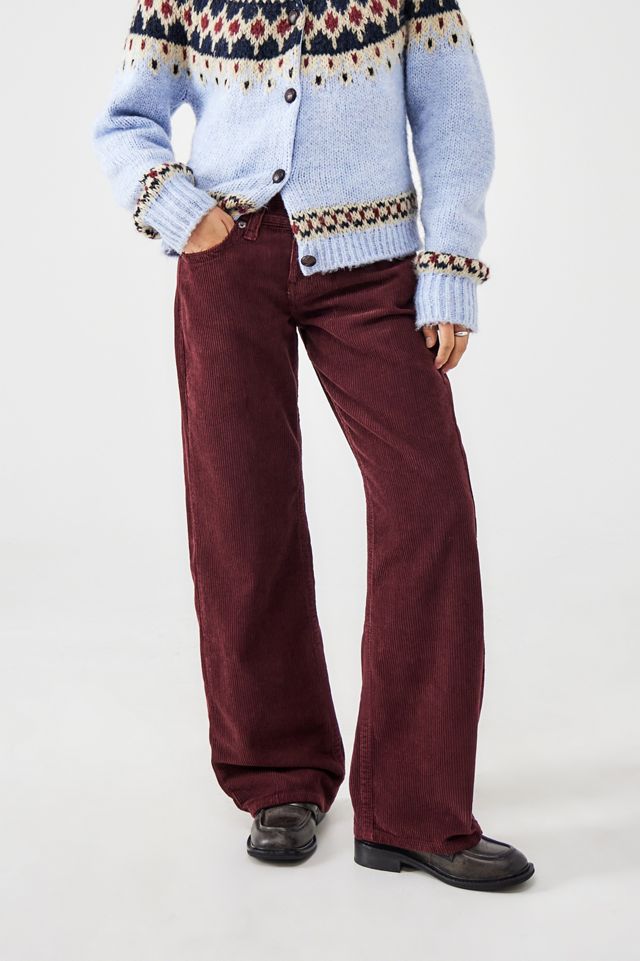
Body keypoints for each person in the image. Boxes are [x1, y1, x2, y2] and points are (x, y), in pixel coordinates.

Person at [92, 0, 534, 891]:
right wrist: (181, 211)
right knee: (241, 516)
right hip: (228, 262)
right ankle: (279, 777)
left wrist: (449, 264)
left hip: (374, 267)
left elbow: (454, 119)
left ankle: (412, 808)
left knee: (429, 503)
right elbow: (126, 119)